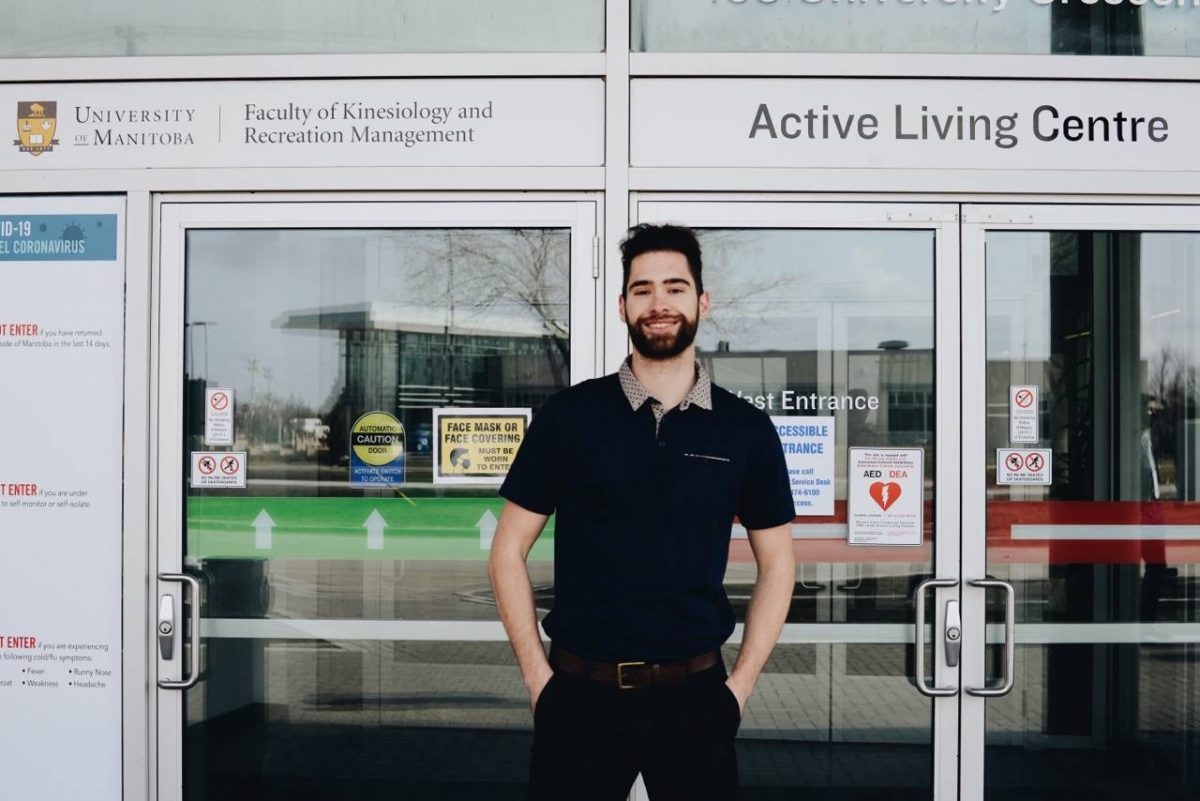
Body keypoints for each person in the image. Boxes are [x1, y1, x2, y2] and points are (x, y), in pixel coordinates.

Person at [488, 223, 796, 800]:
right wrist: (538, 680)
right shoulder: (569, 417)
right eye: (643, 289)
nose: (659, 303)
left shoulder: (745, 429)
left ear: (702, 301)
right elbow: (507, 551)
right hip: (579, 695)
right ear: (622, 304)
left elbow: (778, 565)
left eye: (676, 288)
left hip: (696, 697)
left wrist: (740, 687)